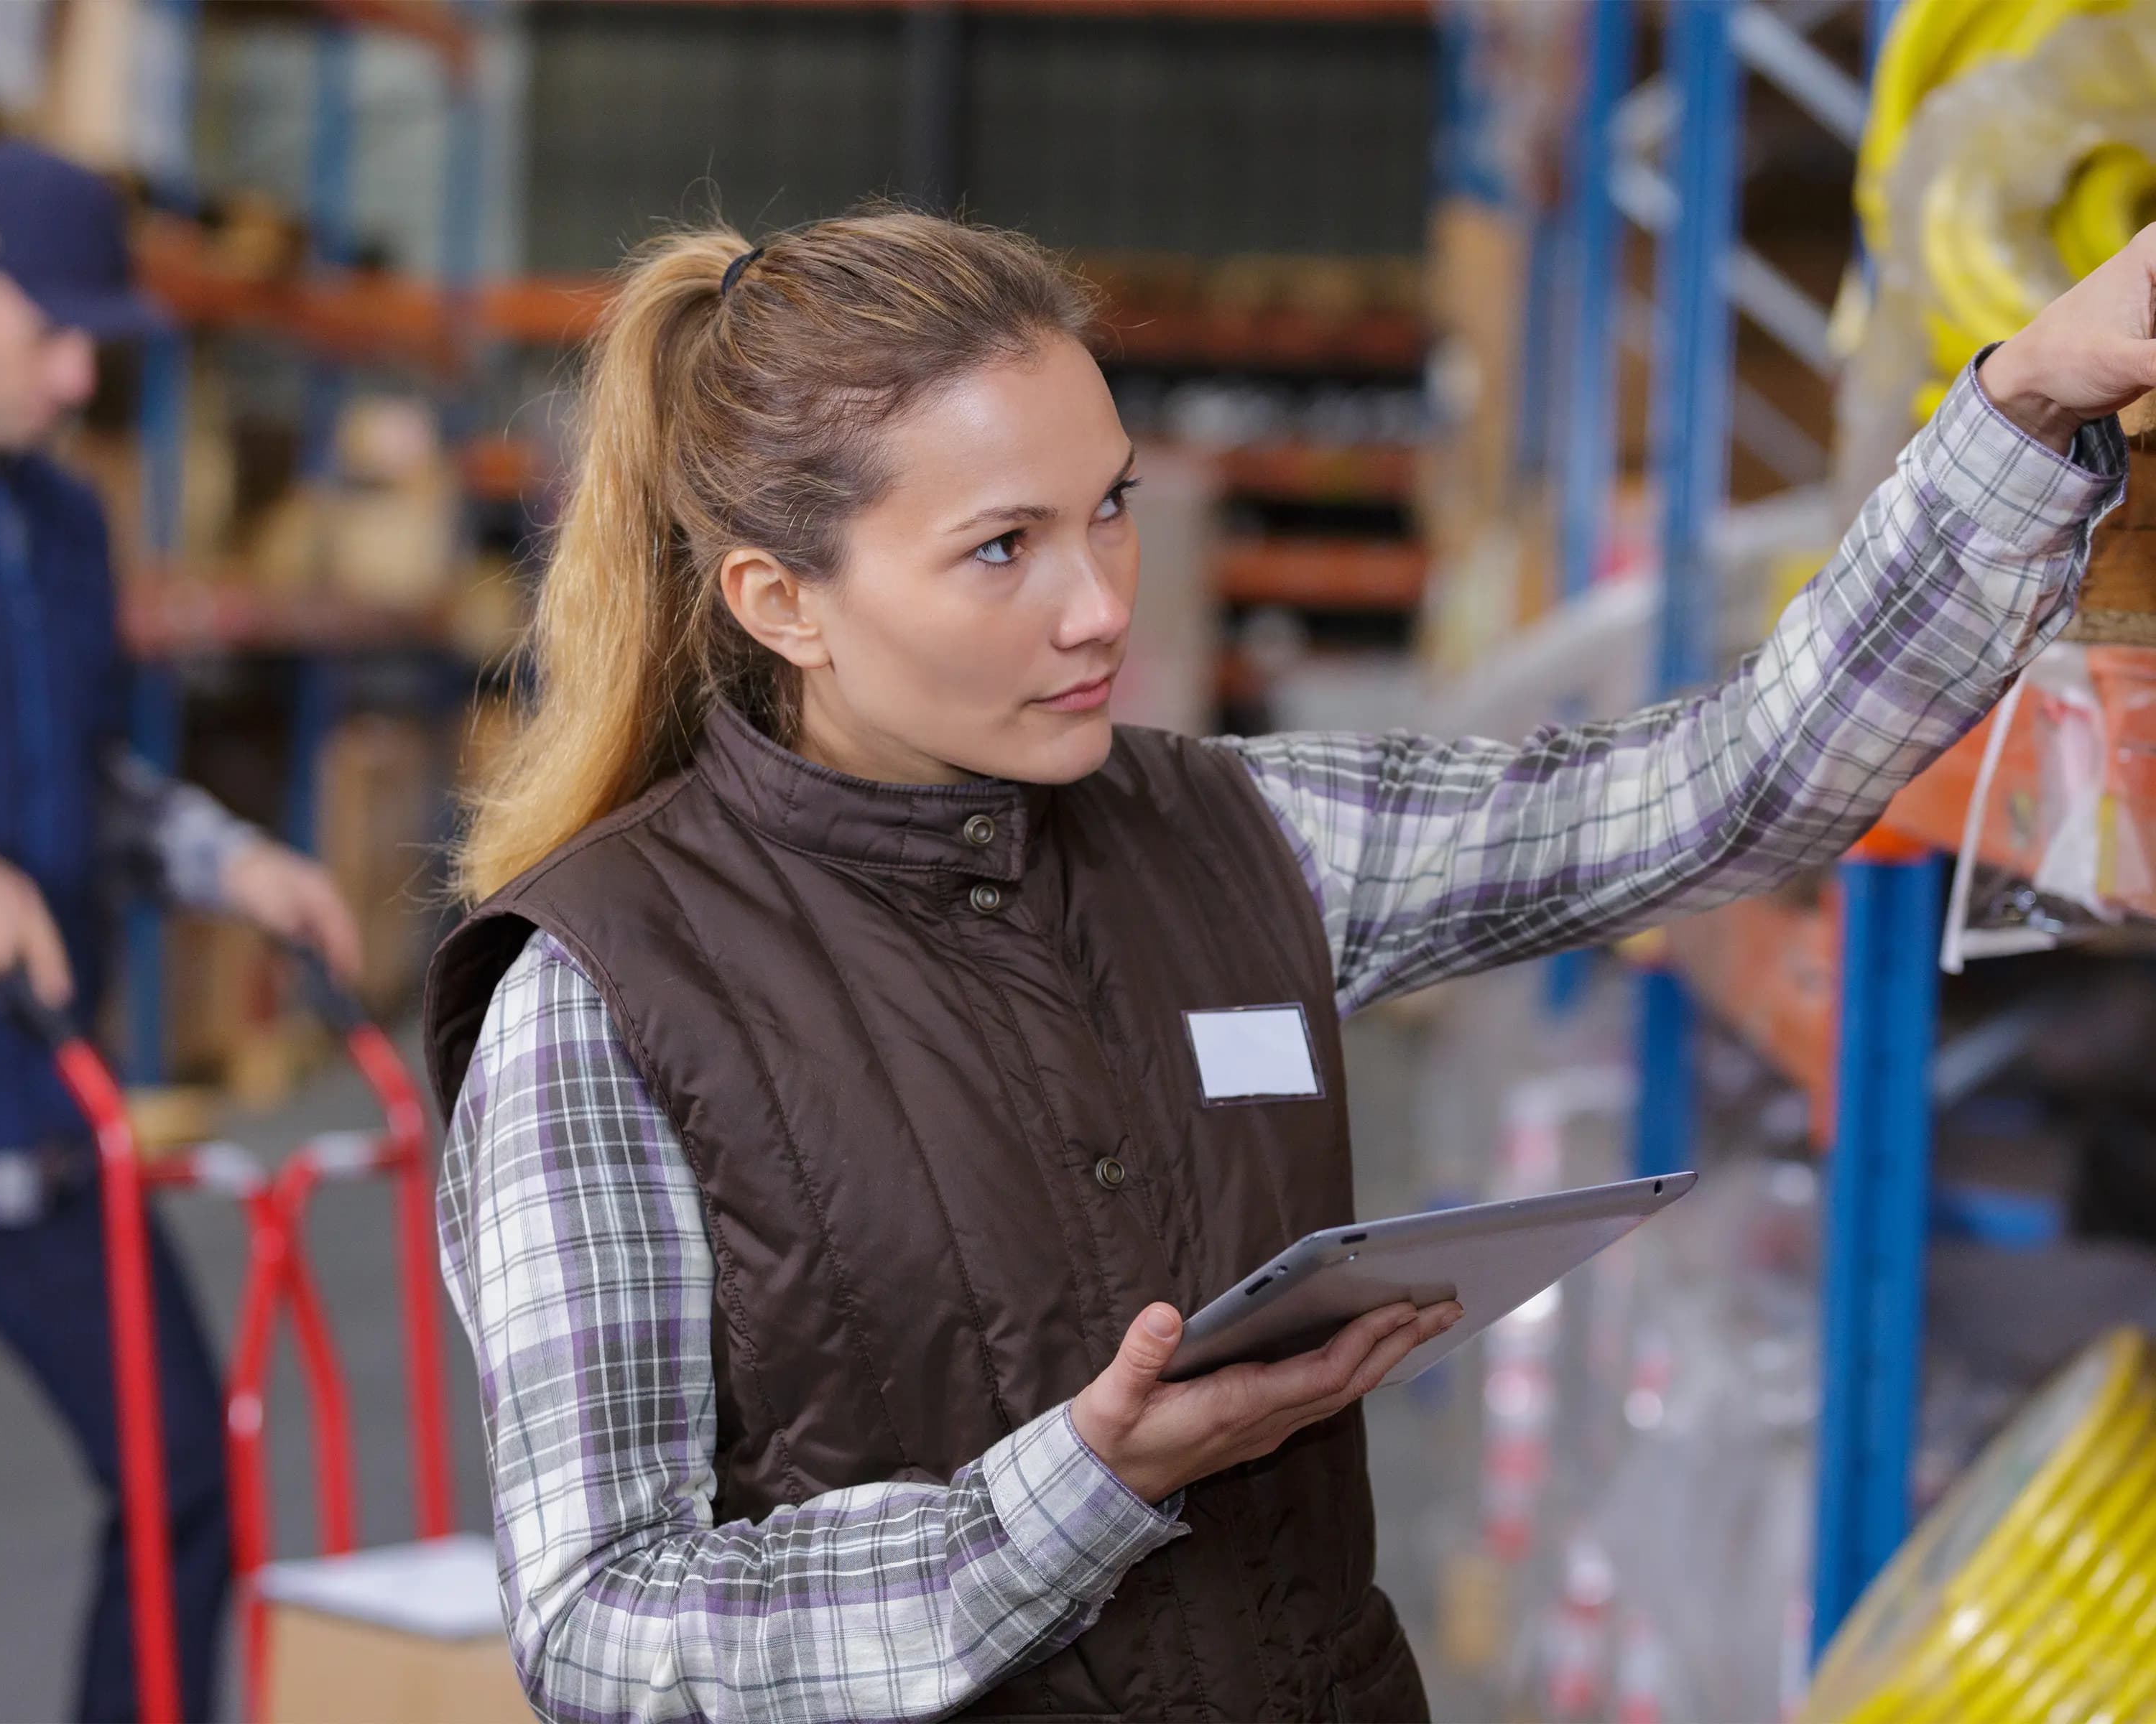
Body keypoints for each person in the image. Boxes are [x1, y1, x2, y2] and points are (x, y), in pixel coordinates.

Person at [422, 207, 2150, 1723]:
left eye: (1107, 511)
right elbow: (604, 1626)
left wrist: (2022, 407)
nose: (1102, 600)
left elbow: (1723, 793)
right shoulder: (600, 1000)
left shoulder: (1234, 834)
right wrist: (1069, 1495)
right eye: (1002, 549)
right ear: (778, 600)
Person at [0, 141, 361, 1723]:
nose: (80, 375)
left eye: (97, 340)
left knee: (183, 1490)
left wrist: (232, 861)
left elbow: (74, 775)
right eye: (50, 333)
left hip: (26, 1103)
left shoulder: (66, 523)